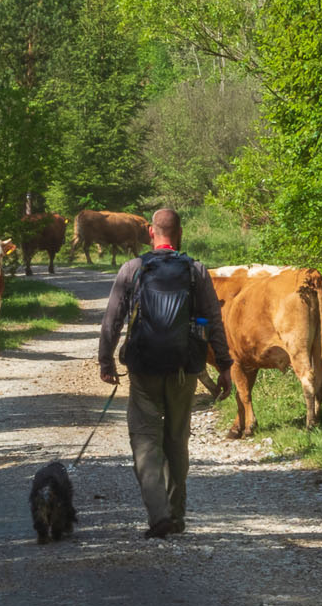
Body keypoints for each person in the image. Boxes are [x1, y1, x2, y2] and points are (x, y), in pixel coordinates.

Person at [96, 209, 233, 538]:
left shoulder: (133, 268)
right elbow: (213, 320)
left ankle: (159, 515)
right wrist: (225, 366)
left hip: (144, 369)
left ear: (149, 232)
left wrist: (106, 361)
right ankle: (176, 513)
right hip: (185, 368)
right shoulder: (196, 271)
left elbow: (112, 319)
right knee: (176, 439)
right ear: (180, 233)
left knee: (145, 440)